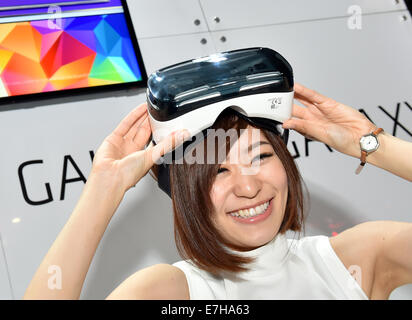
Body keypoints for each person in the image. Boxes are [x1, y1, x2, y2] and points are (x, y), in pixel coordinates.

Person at [23, 83, 412, 300]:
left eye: (260, 156)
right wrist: (103, 192)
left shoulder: (356, 258)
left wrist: (372, 144)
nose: (249, 186)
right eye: (218, 172)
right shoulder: (175, 292)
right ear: (186, 193)